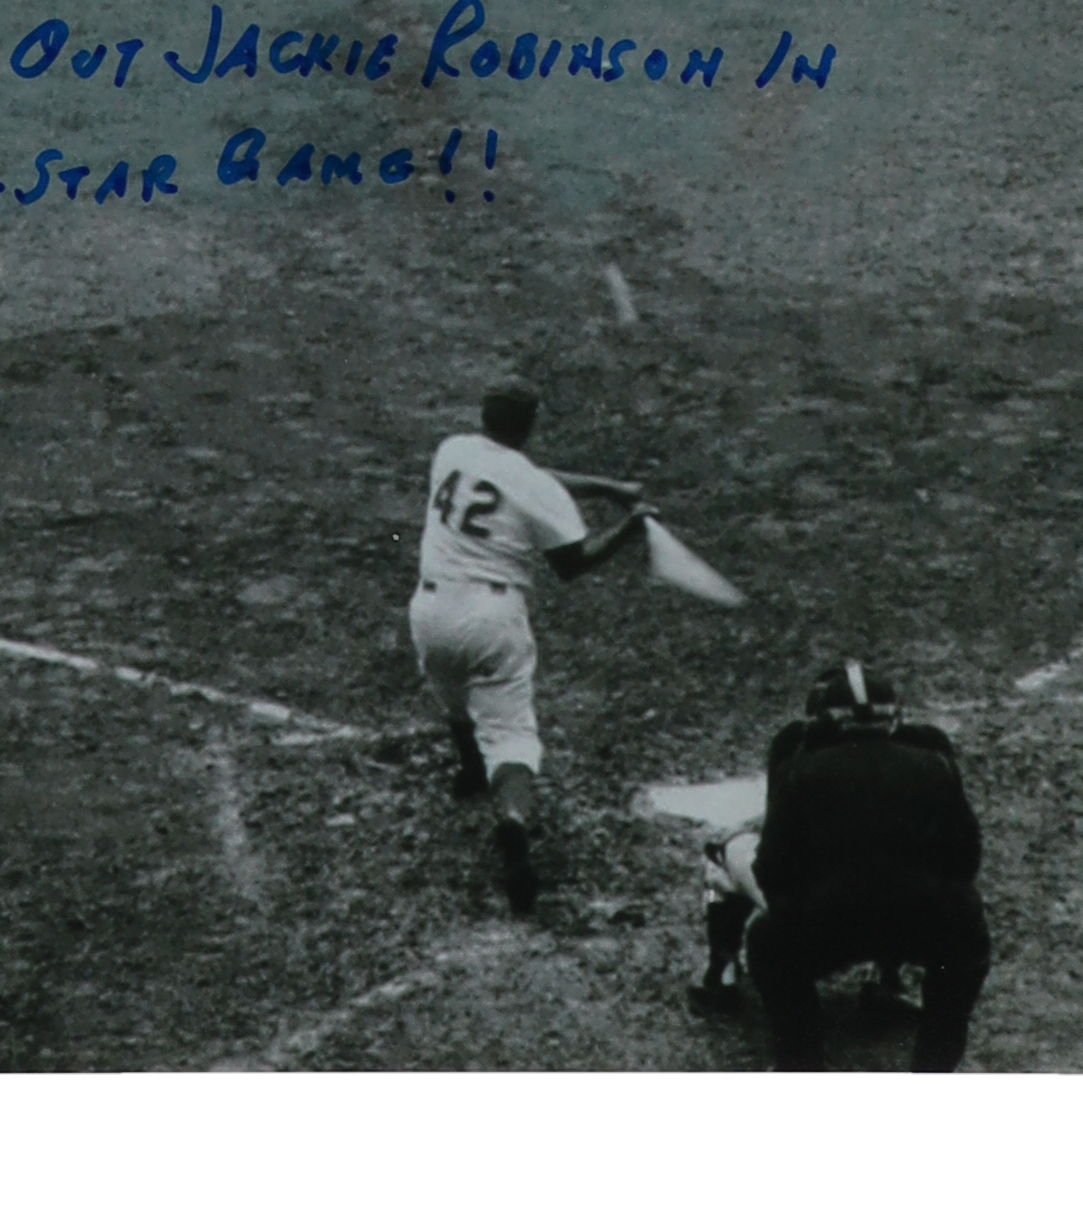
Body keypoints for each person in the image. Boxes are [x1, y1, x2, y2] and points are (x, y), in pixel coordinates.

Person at [407, 383, 653, 914]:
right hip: (492, 618)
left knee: (453, 688)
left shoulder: (453, 450)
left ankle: (469, 770)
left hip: (429, 609)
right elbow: (571, 564)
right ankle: (513, 825)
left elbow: (528, 481)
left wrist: (607, 487)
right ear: (532, 424)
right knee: (513, 732)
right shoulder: (536, 487)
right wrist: (630, 528)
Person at [706, 659, 989, 1071]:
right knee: (964, 933)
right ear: (894, 718)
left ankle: (796, 1060)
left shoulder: (801, 770)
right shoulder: (934, 765)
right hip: (927, 930)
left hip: (825, 931)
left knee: (767, 938)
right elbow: (965, 860)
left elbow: (774, 872)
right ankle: (933, 1070)